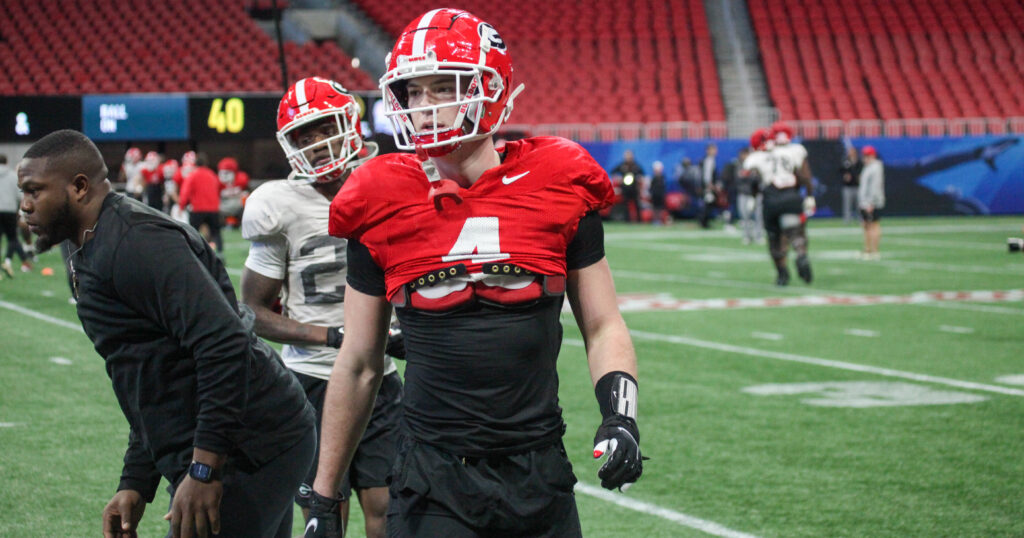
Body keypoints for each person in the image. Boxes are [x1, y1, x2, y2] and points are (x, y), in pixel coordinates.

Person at [305, 9, 644, 538]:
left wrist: (621, 415)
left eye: (443, 87)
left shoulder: (558, 180)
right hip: (431, 476)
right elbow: (359, 364)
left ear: (492, 89)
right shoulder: (378, 199)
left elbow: (602, 325)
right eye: (413, 92)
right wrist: (325, 493)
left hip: (539, 470)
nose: (424, 107)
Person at [16, 129, 316, 538]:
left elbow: (224, 344)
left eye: (34, 191)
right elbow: (145, 373)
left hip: (250, 447)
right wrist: (136, 481)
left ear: (79, 187)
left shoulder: (137, 242)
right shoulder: (88, 244)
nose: (25, 206)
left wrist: (205, 468)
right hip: (235, 442)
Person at [241, 76, 403, 538]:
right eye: (303, 137)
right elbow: (250, 311)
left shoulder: (385, 186)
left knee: (389, 502)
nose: (316, 144)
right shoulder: (279, 204)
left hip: (380, 374)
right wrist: (332, 336)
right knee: (324, 509)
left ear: (350, 123)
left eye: (324, 127)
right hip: (312, 378)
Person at [764, 121, 814, 285]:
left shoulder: (765, 152)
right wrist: (809, 196)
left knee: (775, 238)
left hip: (771, 198)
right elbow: (805, 176)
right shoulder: (796, 151)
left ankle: (782, 273)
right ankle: (801, 254)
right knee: (797, 233)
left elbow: (755, 178)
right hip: (791, 196)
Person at [179, 153, 224, 252]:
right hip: (213, 209)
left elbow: (185, 192)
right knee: (216, 233)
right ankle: (220, 253)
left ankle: (193, 252)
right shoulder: (212, 174)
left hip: (198, 209)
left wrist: (181, 206)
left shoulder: (193, 175)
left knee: (193, 233)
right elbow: (219, 188)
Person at [1, 153, 33, 278]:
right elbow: (19, 196)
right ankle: (13, 261)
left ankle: (21, 261)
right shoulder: (12, 176)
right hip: (9, 211)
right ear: (6, 162)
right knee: (13, 238)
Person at [858, 145, 885, 260]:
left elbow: (875, 186)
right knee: (866, 225)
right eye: (864, 155)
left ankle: (874, 250)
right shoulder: (868, 167)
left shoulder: (876, 167)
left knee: (873, 225)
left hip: (872, 202)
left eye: (867, 155)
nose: (865, 158)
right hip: (865, 201)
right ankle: (867, 249)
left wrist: (871, 202)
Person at [735, 147, 763, 244]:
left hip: (756, 194)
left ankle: (758, 236)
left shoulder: (755, 165)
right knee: (745, 216)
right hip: (744, 194)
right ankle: (747, 236)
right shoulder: (739, 165)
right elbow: (738, 179)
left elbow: (757, 179)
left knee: (759, 216)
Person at [610, 149, 645, 222]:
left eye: (629, 155)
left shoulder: (636, 166)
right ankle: (627, 220)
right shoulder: (622, 165)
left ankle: (639, 220)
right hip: (625, 188)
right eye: (627, 155)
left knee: (637, 204)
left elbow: (642, 174)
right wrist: (618, 178)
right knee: (625, 205)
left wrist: (639, 179)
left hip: (634, 188)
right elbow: (612, 172)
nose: (628, 157)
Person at [698, 143, 718, 229]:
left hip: (707, 186)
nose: (715, 151)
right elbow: (707, 174)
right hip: (707, 187)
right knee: (707, 204)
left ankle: (704, 221)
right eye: (713, 149)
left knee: (708, 203)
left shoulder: (710, 159)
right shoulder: (708, 160)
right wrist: (709, 185)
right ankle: (704, 222)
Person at [839, 145, 860, 223]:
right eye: (849, 151)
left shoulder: (859, 161)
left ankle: (860, 218)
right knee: (847, 204)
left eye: (852, 151)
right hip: (847, 186)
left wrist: (859, 176)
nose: (850, 153)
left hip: (857, 186)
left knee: (859, 204)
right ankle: (847, 219)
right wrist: (844, 175)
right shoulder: (845, 161)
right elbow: (840, 171)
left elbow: (861, 170)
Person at [648, 160, 669, 225]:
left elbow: (663, 187)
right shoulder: (653, 178)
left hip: (660, 195)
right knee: (655, 208)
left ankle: (660, 219)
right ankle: (655, 220)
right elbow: (651, 187)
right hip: (655, 195)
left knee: (660, 208)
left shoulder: (663, 178)